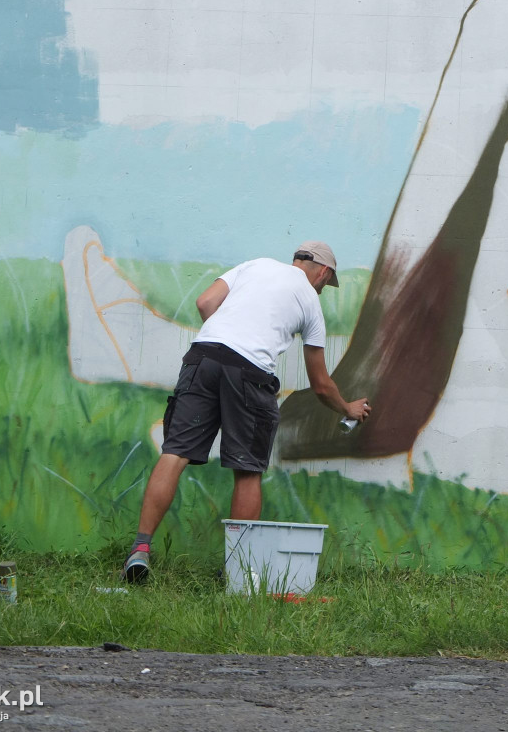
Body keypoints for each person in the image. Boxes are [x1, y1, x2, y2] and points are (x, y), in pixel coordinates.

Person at [122, 241, 371, 582]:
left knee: (175, 452)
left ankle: (140, 550)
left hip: (202, 358)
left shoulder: (255, 265)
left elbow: (205, 302)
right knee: (248, 469)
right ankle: (236, 570)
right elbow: (321, 384)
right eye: (327, 284)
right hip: (250, 373)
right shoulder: (310, 302)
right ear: (324, 273)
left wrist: (227, 338)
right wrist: (348, 408)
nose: (324, 289)